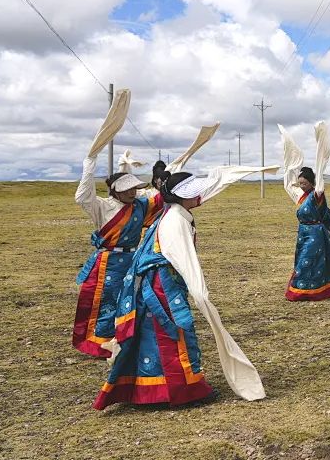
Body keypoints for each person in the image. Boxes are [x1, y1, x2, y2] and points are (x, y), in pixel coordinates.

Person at [93, 162, 275, 409]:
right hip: (162, 285)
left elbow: (210, 189)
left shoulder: (173, 211)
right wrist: (201, 294)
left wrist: (248, 171)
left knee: (156, 335)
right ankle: (183, 389)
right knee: (176, 331)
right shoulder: (175, 220)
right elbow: (185, 259)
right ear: (183, 196)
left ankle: (156, 389)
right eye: (194, 192)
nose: (200, 196)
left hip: (160, 282)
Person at [72, 95, 217, 358]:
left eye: (134, 188)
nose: (132, 192)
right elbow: (83, 197)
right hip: (108, 261)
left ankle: (123, 337)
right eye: (126, 189)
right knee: (106, 299)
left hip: (132, 259)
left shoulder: (140, 204)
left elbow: (164, 194)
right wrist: (89, 163)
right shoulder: (102, 207)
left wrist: (177, 166)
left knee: (129, 299)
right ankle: (101, 340)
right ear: (115, 191)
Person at [278, 122, 330, 301]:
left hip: (316, 233)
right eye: (300, 184)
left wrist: (321, 148)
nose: (302, 186)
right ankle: (311, 290)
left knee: (307, 261)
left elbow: (321, 188)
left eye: (305, 183)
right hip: (303, 233)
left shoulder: (317, 195)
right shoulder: (300, 196)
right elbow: (288, 183)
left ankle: (301, 293)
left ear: (312, 183)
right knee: (304, 260)